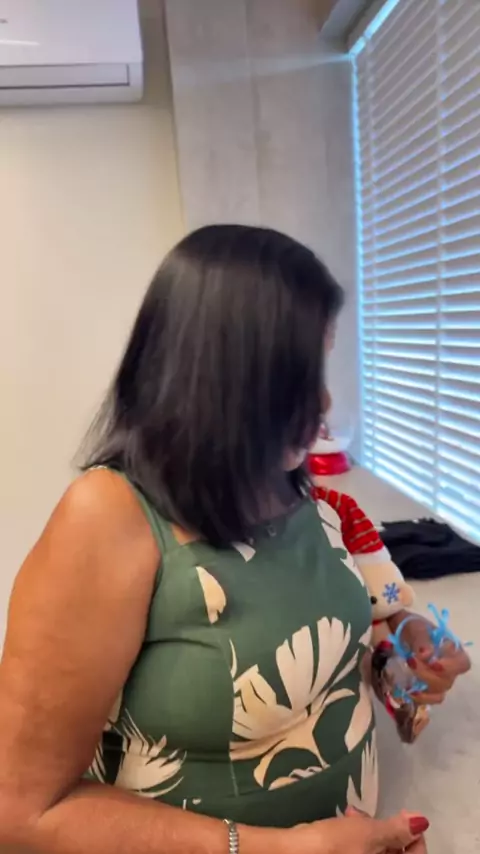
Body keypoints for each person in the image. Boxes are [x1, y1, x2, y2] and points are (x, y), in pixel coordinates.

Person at [0, 225, 469, 854]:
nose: (325, 400)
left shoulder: (300, 494)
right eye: (301, 374)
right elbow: (21, 812)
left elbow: (323, 664)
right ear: (218, 377)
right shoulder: (107, 518)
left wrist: (401, 666)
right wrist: (281, 849)